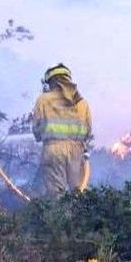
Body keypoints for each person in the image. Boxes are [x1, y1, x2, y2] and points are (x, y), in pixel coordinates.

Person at [31, 63, 92, 194]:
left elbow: (36, 131)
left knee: (56, 196)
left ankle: (59, 214)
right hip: (77, 151)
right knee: (80, 194)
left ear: (52, 81)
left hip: (53, 151)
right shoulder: (82, 102)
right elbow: (88, 131)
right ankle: (80, 214)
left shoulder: (43, 100)